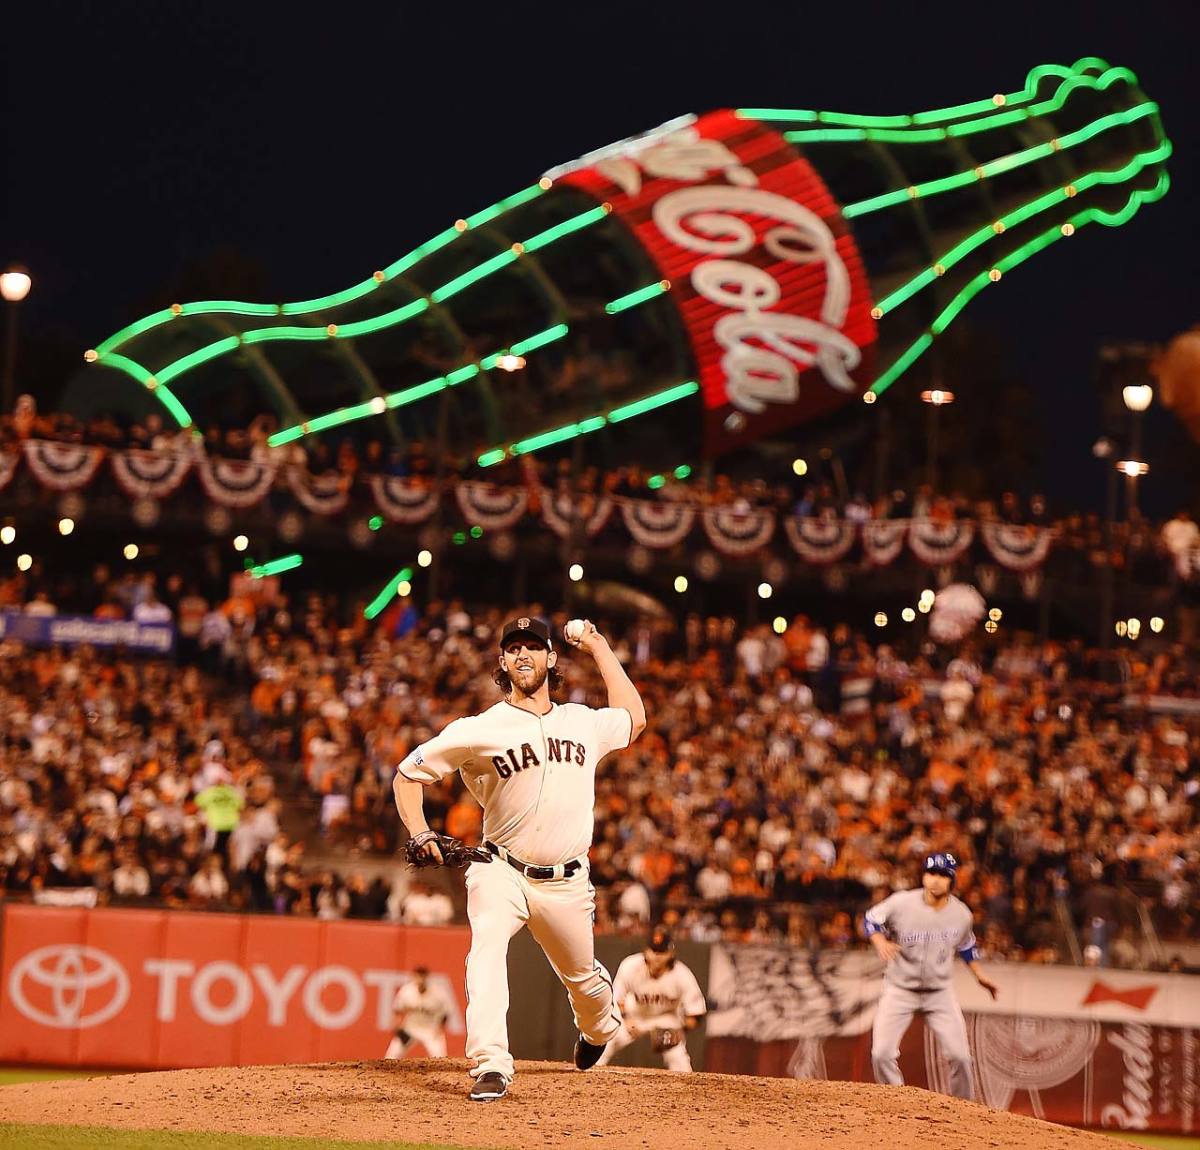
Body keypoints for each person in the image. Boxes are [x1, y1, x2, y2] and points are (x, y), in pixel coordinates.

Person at [392, 615, 646, 1103]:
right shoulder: (480, 729)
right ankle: (491, 1062)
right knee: (486, 947)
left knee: (584, 982)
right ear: (502, 662)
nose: (522, 655)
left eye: (533, 647)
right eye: (513, 649)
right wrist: (419, 830)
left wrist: (597, 645)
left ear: (552, 659)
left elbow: (634, 717)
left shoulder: (581, 721)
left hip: (567, 882)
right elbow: (408, 775)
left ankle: (598, 1026)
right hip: (499, 868)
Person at [863, 852, 998, 1100]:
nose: (936, 880)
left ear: (952, 881)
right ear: (924, 876)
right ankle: (896, 1101)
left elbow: (967, 947)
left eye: (943, 875)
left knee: (960, 1057)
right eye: (931, 873)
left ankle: (963, 1110)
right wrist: (880, 941)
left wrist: (979, 975)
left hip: (939, 993)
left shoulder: (961, 914)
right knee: (881, 1053)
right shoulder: (901, 903)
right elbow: (870, 920)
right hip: (899, 989)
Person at [595, 926, 706, 1072]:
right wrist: (627, 1019)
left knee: (678, 1057)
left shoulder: (682, 975)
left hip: (665, 1018)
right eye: (653, 950)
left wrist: (679, 1031)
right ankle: (591, 1074)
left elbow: (696, 1014)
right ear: (646, 951)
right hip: (634, 1013)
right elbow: (617, 999)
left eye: (661, 952)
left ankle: (685, 1086)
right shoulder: (631, 965)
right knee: (608, 1037)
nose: (656, 956)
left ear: (671, 953)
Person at [384, 966, 453, 1059]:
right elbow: (398, 1010)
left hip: (430, 1029)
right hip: (410, 1028)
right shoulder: (407, 991)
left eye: (422, 976)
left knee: (441, 1058)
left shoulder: (438, 992)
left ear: (427, 977)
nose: (420, 979)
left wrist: (440, 1028)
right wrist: (397, 1024)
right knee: (391, 1057)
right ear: (413, 977)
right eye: (417, 976)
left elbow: (446, 1012)